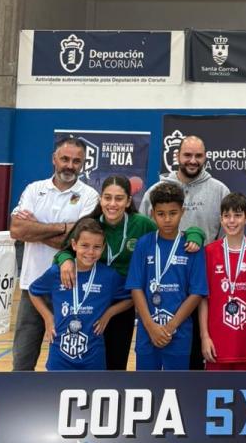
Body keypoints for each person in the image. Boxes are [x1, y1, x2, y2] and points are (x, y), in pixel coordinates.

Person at [9, 136, 99, 371]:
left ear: (83, 163)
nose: (70, 165)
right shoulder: (34, 189)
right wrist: (64, 228)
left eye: (76, 161)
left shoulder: (90, 196)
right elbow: (17, 230)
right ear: (54, 159)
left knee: (68, 357)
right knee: (23, 359)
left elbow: (81, 243)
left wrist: (35, 229)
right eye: (65, 159)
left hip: (71, 288)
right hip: (33, 286)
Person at [140, 134, 227, 369]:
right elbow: (145, 232)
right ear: (177, 156)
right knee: (156, 356)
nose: (193, 160)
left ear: (205, 157)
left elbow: (225, 238)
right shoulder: (155, 191)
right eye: (187, 155)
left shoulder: (220, 191)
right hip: (164, 287)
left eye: (198, 156)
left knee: (197, 354)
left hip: (203, 287)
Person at [52, 173, 156, 370]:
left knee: (116, 363)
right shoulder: (89, 223)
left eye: (119, 198)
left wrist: (196, 234)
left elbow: (167, 239)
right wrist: (65, 260)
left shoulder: (142, 224)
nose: (112, 204)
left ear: (128, 201)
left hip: (122, 303)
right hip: (89, 301)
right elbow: (65, 250)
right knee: (85, 357)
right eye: (107, 197)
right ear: (100, 199)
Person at [28, 218, 131, 371]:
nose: (90, 252)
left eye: (97, 247)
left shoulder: (109, 276)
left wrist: (109, 313)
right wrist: (48, 317)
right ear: (74, 245)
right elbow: (33, 291)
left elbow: (131, 298)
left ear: (103, 248)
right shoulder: (57, 272)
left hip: (93, 356)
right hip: (59, 355)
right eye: (85, 245)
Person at [126, 182, 207, 372]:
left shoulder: (191, 247)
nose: (167, 219)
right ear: (152, 214)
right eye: (161, 214)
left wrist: (171, 326)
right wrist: (150, 326)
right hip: (147, 333)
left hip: (179, 333)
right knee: (146, 386)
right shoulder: (144, 244)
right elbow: (136, 287)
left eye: (173, 213)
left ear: (183, 212)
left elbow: (197, 292)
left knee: (177, 386)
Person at [200, 192, 246, 371]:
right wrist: (204, 337)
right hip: (216, 344)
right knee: (215, 389)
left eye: (237, 215)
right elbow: (203, 299)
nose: (232, 221)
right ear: (221, 219)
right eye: (227, 216)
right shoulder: (209, 252)